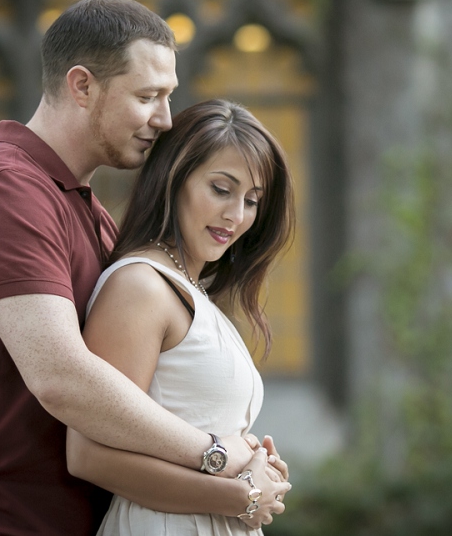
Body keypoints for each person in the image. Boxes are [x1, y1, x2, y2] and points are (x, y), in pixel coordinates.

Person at [0, 0, 269, 535]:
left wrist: (248, 467)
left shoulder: (88, 211)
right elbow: (61, 378)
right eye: (148, 96)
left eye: (168, 97)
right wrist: (218, 455)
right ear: (82, 86)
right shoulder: (4, 192)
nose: (164, 119)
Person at [64, 98, 295, 534]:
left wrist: (255, 465)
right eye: (221, 189)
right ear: (175, 179)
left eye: (252, 200)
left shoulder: (191, 292)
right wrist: (238, 496)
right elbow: (88, 455)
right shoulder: (140, 287)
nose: (237, 215)